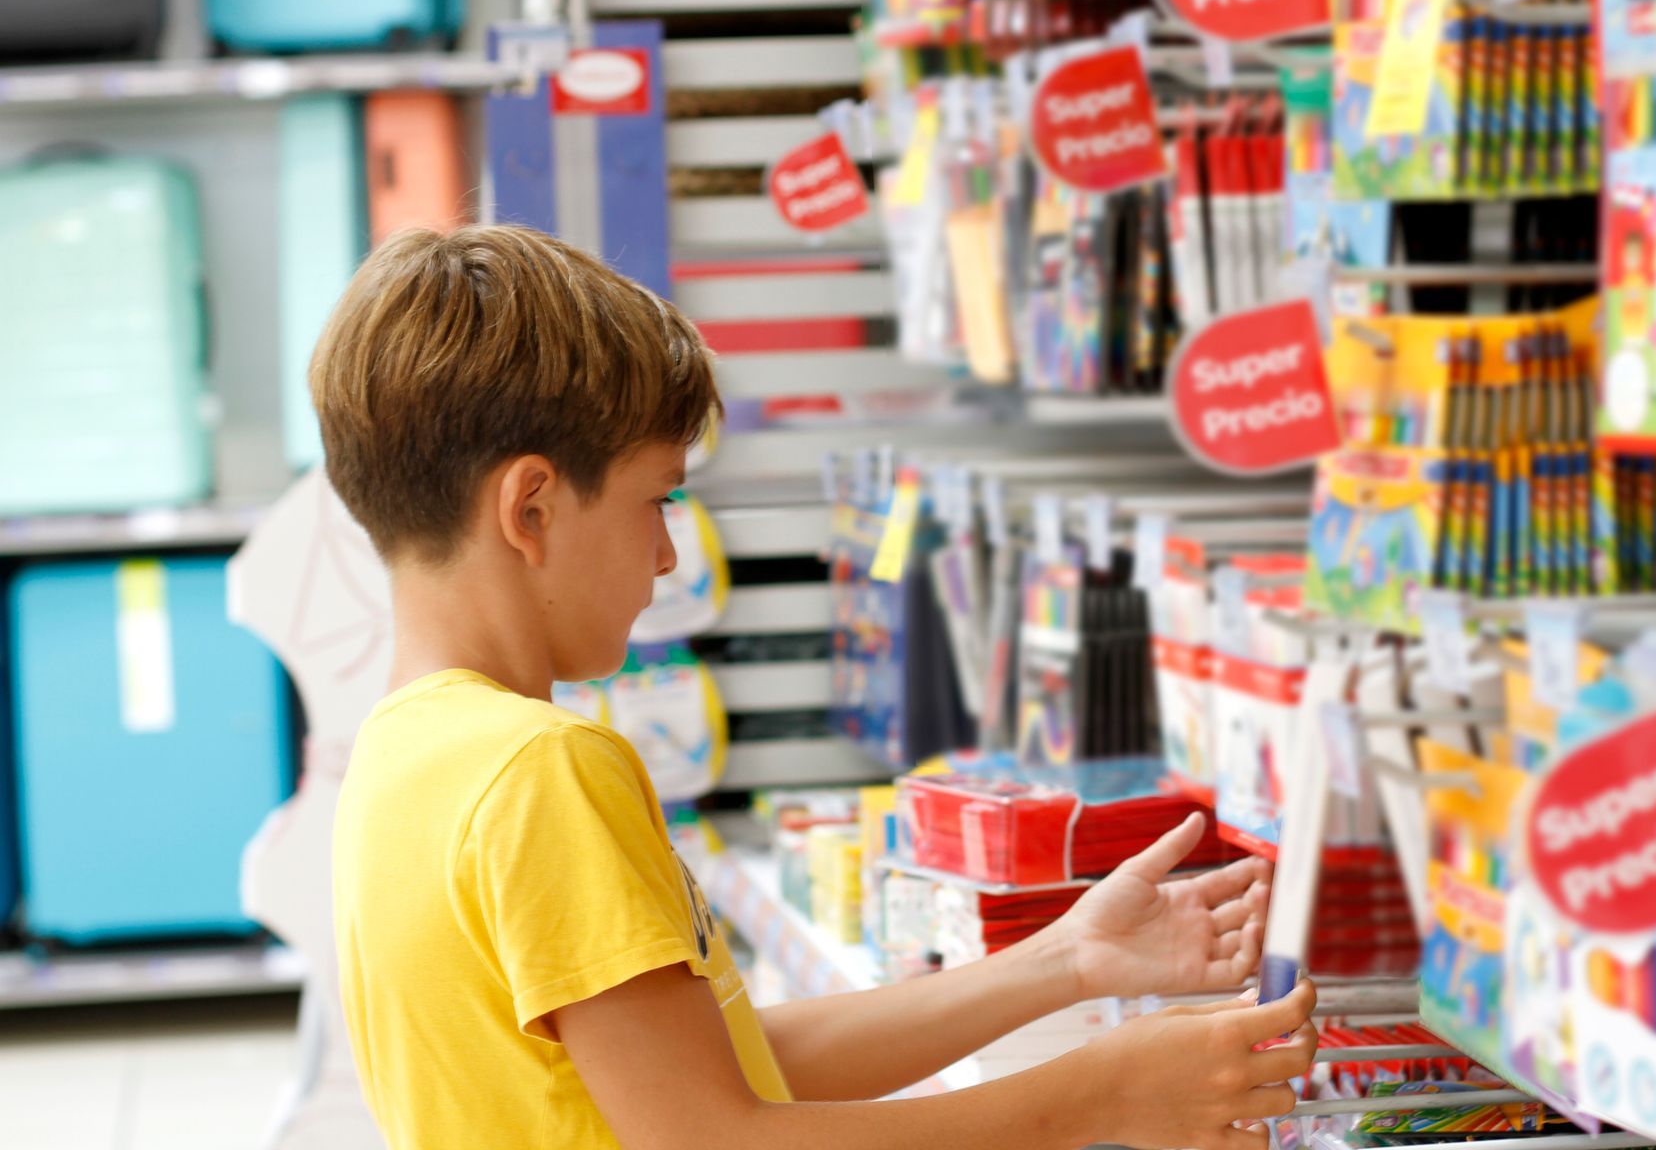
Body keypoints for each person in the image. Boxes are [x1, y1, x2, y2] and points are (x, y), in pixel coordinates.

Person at [316, 224, 1319, 1150]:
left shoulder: (405, 759)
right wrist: (1103, 1092)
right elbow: (721, 1139)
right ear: (531, 507)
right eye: (657, 498)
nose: (665, 553)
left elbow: (722, 1069)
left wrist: (1065, 961)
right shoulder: (543, 771)